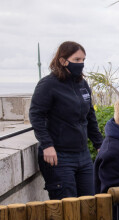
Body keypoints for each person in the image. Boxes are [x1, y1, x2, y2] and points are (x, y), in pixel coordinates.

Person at [29, 41, 103, 200]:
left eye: (83, 60)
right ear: (63, 61)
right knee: (67, 209)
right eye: (77, 60)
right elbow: (36, 115)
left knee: (90, 204)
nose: (81, 63)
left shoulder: (82, 84)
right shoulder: (48, 84)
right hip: (59, 157)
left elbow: (90, 116)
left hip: (82, 156)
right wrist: (47, 145)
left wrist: (99, 144)